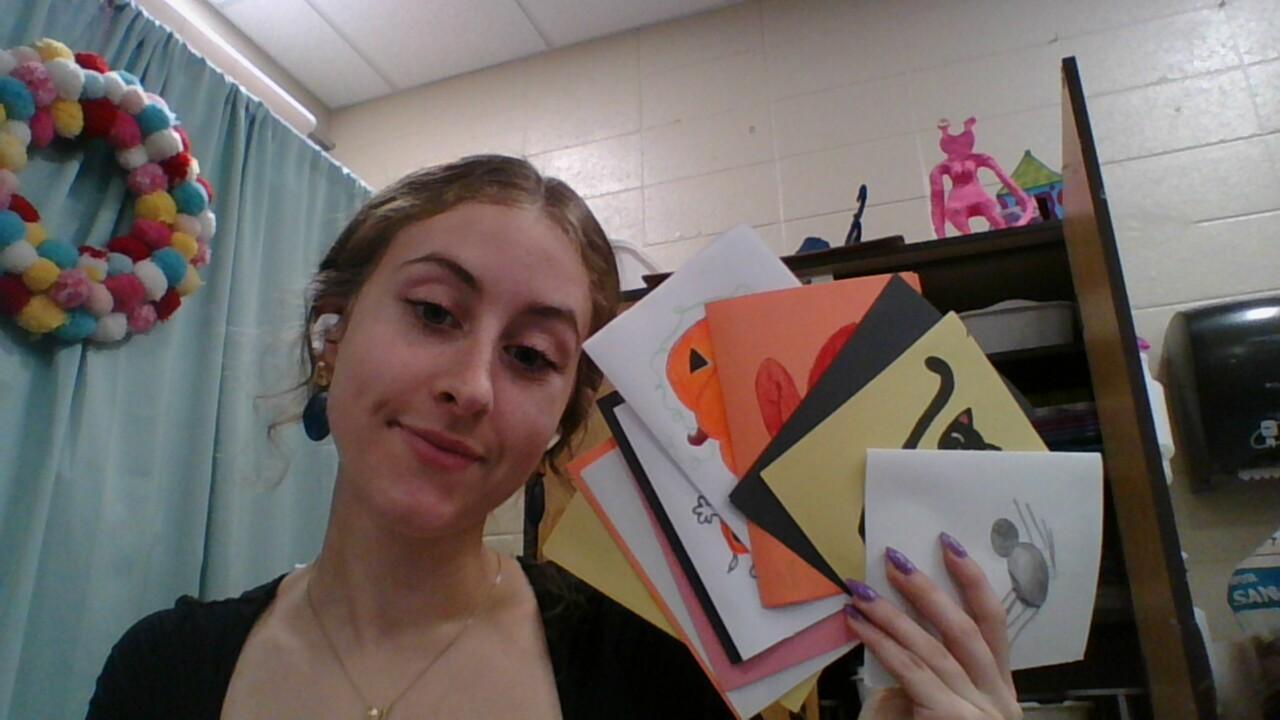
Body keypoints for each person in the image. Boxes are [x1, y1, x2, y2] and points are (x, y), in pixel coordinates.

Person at [87, 155, 1022, 720]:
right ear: (333, 338)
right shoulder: (161, 672)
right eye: (433, 311)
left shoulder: (655, 679)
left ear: (558, 428)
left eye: (532, 357)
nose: (470, 385)